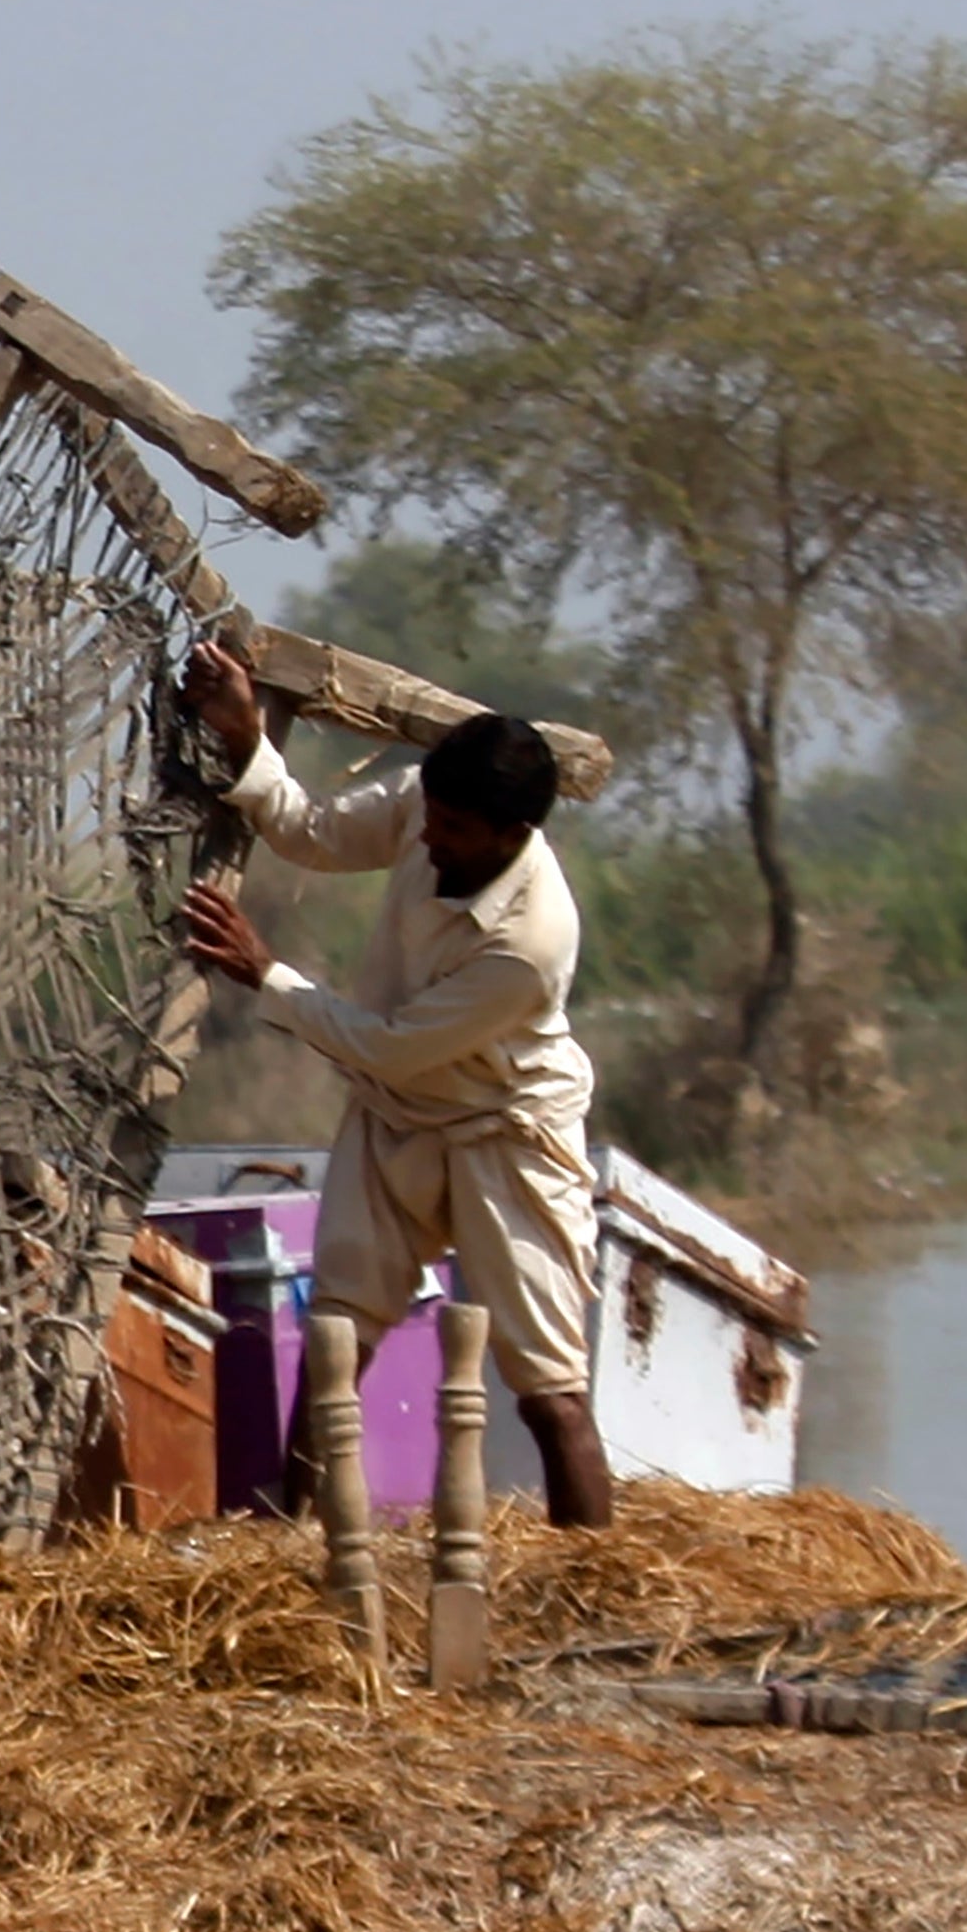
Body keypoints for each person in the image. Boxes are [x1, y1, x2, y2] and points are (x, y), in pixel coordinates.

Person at [166, 642, 617, 1528]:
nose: (432, 841)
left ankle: (591, 1589)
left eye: (454, 832)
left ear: (514, 835)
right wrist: (250, 739)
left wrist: (268, 973)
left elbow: (394, 1047)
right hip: (396, 1118)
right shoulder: (425, 803)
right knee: (335, 1342)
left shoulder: (529, 942)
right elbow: (315, 832)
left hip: (508, 1132)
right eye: (433, 818)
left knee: (549, 1388)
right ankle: (292, 1565)